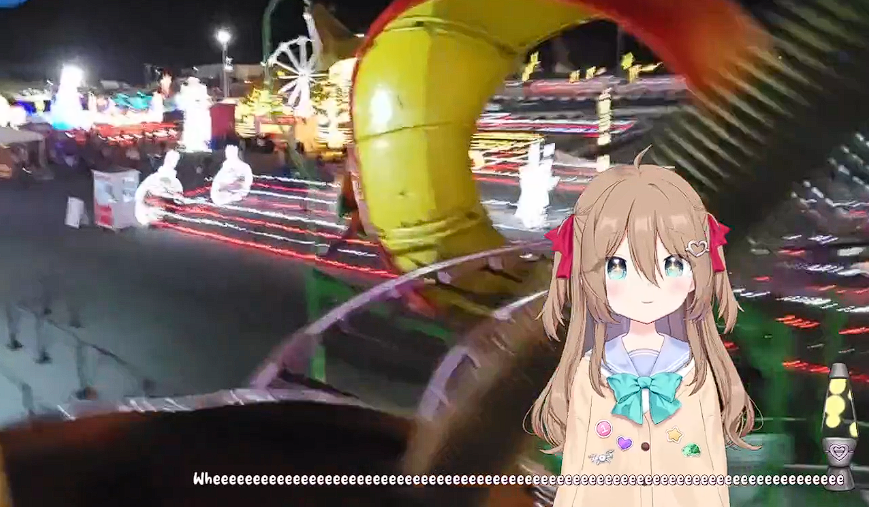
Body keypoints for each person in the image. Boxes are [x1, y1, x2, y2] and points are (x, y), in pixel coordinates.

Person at [530, 148, 756, 507]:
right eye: (617, 266)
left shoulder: (695, 374)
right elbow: (577, 476)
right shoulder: (591, 374)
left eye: (673, 265)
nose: (647, 287)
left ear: (696, 274)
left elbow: (709, 475)